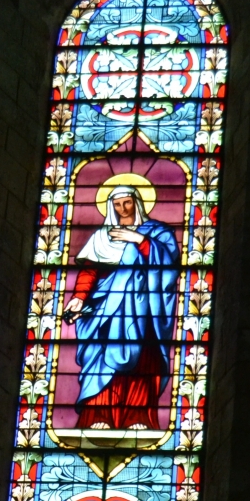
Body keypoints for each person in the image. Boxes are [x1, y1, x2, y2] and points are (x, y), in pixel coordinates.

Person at [63, 182, 178, 436]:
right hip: (105, 307)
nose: (123, 208)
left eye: (127, 203)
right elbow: (90, 271)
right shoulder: (102, 236)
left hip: (142, 309)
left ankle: (138, 416)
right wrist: (79, 298)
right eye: (117, 204)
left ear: (137, 203)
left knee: (141, 361)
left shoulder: (157, 232)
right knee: (101, 359)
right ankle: (98, 416)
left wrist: (139, 240)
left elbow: (169, 267)